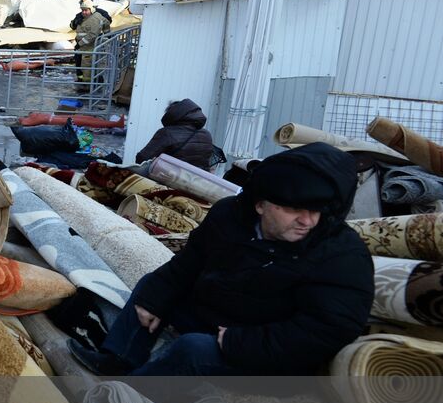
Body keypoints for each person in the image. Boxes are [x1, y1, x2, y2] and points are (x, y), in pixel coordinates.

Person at [68, 142, 372, 377]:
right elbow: (188, 264)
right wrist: (153, 300)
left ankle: (129, 396)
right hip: (216, 316)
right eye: (295, 210)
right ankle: (117, 359)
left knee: (194, 349)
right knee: (154, 287)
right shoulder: (229, 216)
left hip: (265, 350)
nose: (307, 221)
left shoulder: (342, 255)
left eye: (316, 211)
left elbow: (326, 330)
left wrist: (241, 342)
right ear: (261, 205)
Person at [135, 98, 219, 169]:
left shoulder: (167, 133)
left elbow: (142, 159)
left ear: (172, 115)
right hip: (197, 183)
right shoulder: (207, 134)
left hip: (170, 181)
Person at [71, 0, 111, 85]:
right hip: (83, 47)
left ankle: (87, 87)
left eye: (86, 10)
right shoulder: (84, 17)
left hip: (88, 48)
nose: (84, 12)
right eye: (82, 10)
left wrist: (79, 44)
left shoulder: (94, 19)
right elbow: (106, 23)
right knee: (81, 65)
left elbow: (92, 35)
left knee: (87, 68)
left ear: (91, 9)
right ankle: (83, 81)